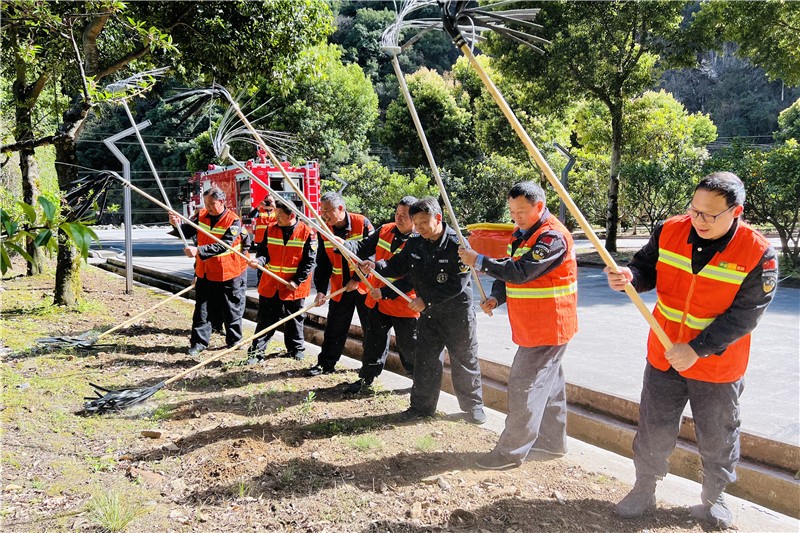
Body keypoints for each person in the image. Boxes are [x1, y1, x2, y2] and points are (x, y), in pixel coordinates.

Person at [604, 172, 777, 529]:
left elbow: (746, 314)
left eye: (710, 215)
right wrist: (630, 278)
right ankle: (644, 488)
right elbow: (645, 268)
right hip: (664, 353)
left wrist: (697, 349)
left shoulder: (758, 252)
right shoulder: (670, 230)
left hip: (717, 364)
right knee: (654, 426)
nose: (699, 220)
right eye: (694, 210)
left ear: (736, 212)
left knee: (718, 434)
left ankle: (714, 498)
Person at [458, 181, 577, 469]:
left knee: (524, 386)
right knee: (549, 386)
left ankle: (509, 452)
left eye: (521, 212)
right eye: (512, 212)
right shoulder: (523, 233)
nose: (516, 218)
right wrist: (497, 297)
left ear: (539, 206)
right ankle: (551, 443)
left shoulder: (551, 238)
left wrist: (480, 261)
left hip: (548, 326)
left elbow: (522, 271)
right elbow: (510, 267)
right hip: (534, 325)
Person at [361, 197, 486, 424]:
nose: (419, 228)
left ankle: (473, 408)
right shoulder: (415, 242)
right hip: (429, 315)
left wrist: (425, 300)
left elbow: (456, 285)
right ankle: (421, 407)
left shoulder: (458, 244)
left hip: (457, 315)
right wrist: (376, 266)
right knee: (426, 361)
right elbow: (398, 266)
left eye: (423, 223)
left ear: (437, 218)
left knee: (464, 360)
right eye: (416, 224)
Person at [342, 196, 419, 393]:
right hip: (378, 300)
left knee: (409, 346)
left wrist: (384, 292)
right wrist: (344, 245)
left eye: (404, 215)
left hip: (404, 303)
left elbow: (411, 278)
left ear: (415, 218)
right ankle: (366, 378)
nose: (399, 218)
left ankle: (419, 382)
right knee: (373, 341)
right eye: (397, 213)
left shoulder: (419, 241)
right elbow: (363, 247)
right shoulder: (385, 230)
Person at [169, 187, 249, 356]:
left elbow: (224, 245)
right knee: (202, 309)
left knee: (231, 308)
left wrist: (198, 251)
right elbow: (186, 231)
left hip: (229, 272)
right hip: (205, 271)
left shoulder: (233, 221)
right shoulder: (202, 216)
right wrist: (175, 224)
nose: (208, 207)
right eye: (206, 204)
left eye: (211, 204)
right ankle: (198, 343)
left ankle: (234, 341)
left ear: (222, 202)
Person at [307, 192, 375, 376]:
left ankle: (370, 369)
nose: (324, 215)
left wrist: (357, 280)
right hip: (340, 288)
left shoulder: (362, 223)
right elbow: (322, 263)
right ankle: (325, 364)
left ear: (340, 208)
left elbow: (373, 254)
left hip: (364, 287)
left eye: (327, 211)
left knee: (371, 329)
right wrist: (321, 290)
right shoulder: (324, 230)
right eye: (322, 211)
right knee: (334, 328)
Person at [247, 203, 316, 363]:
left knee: (295, 318)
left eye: (279, 216)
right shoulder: (270, 229)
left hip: (294, 286)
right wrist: (259, 261)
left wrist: (296, 281)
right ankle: (256, 352)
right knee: (266, 318)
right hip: (271, 282)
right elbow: (263, 252)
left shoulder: (307, 232)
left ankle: (296, 349)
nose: (275, 218)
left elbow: (309, 261)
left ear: (291, 216)